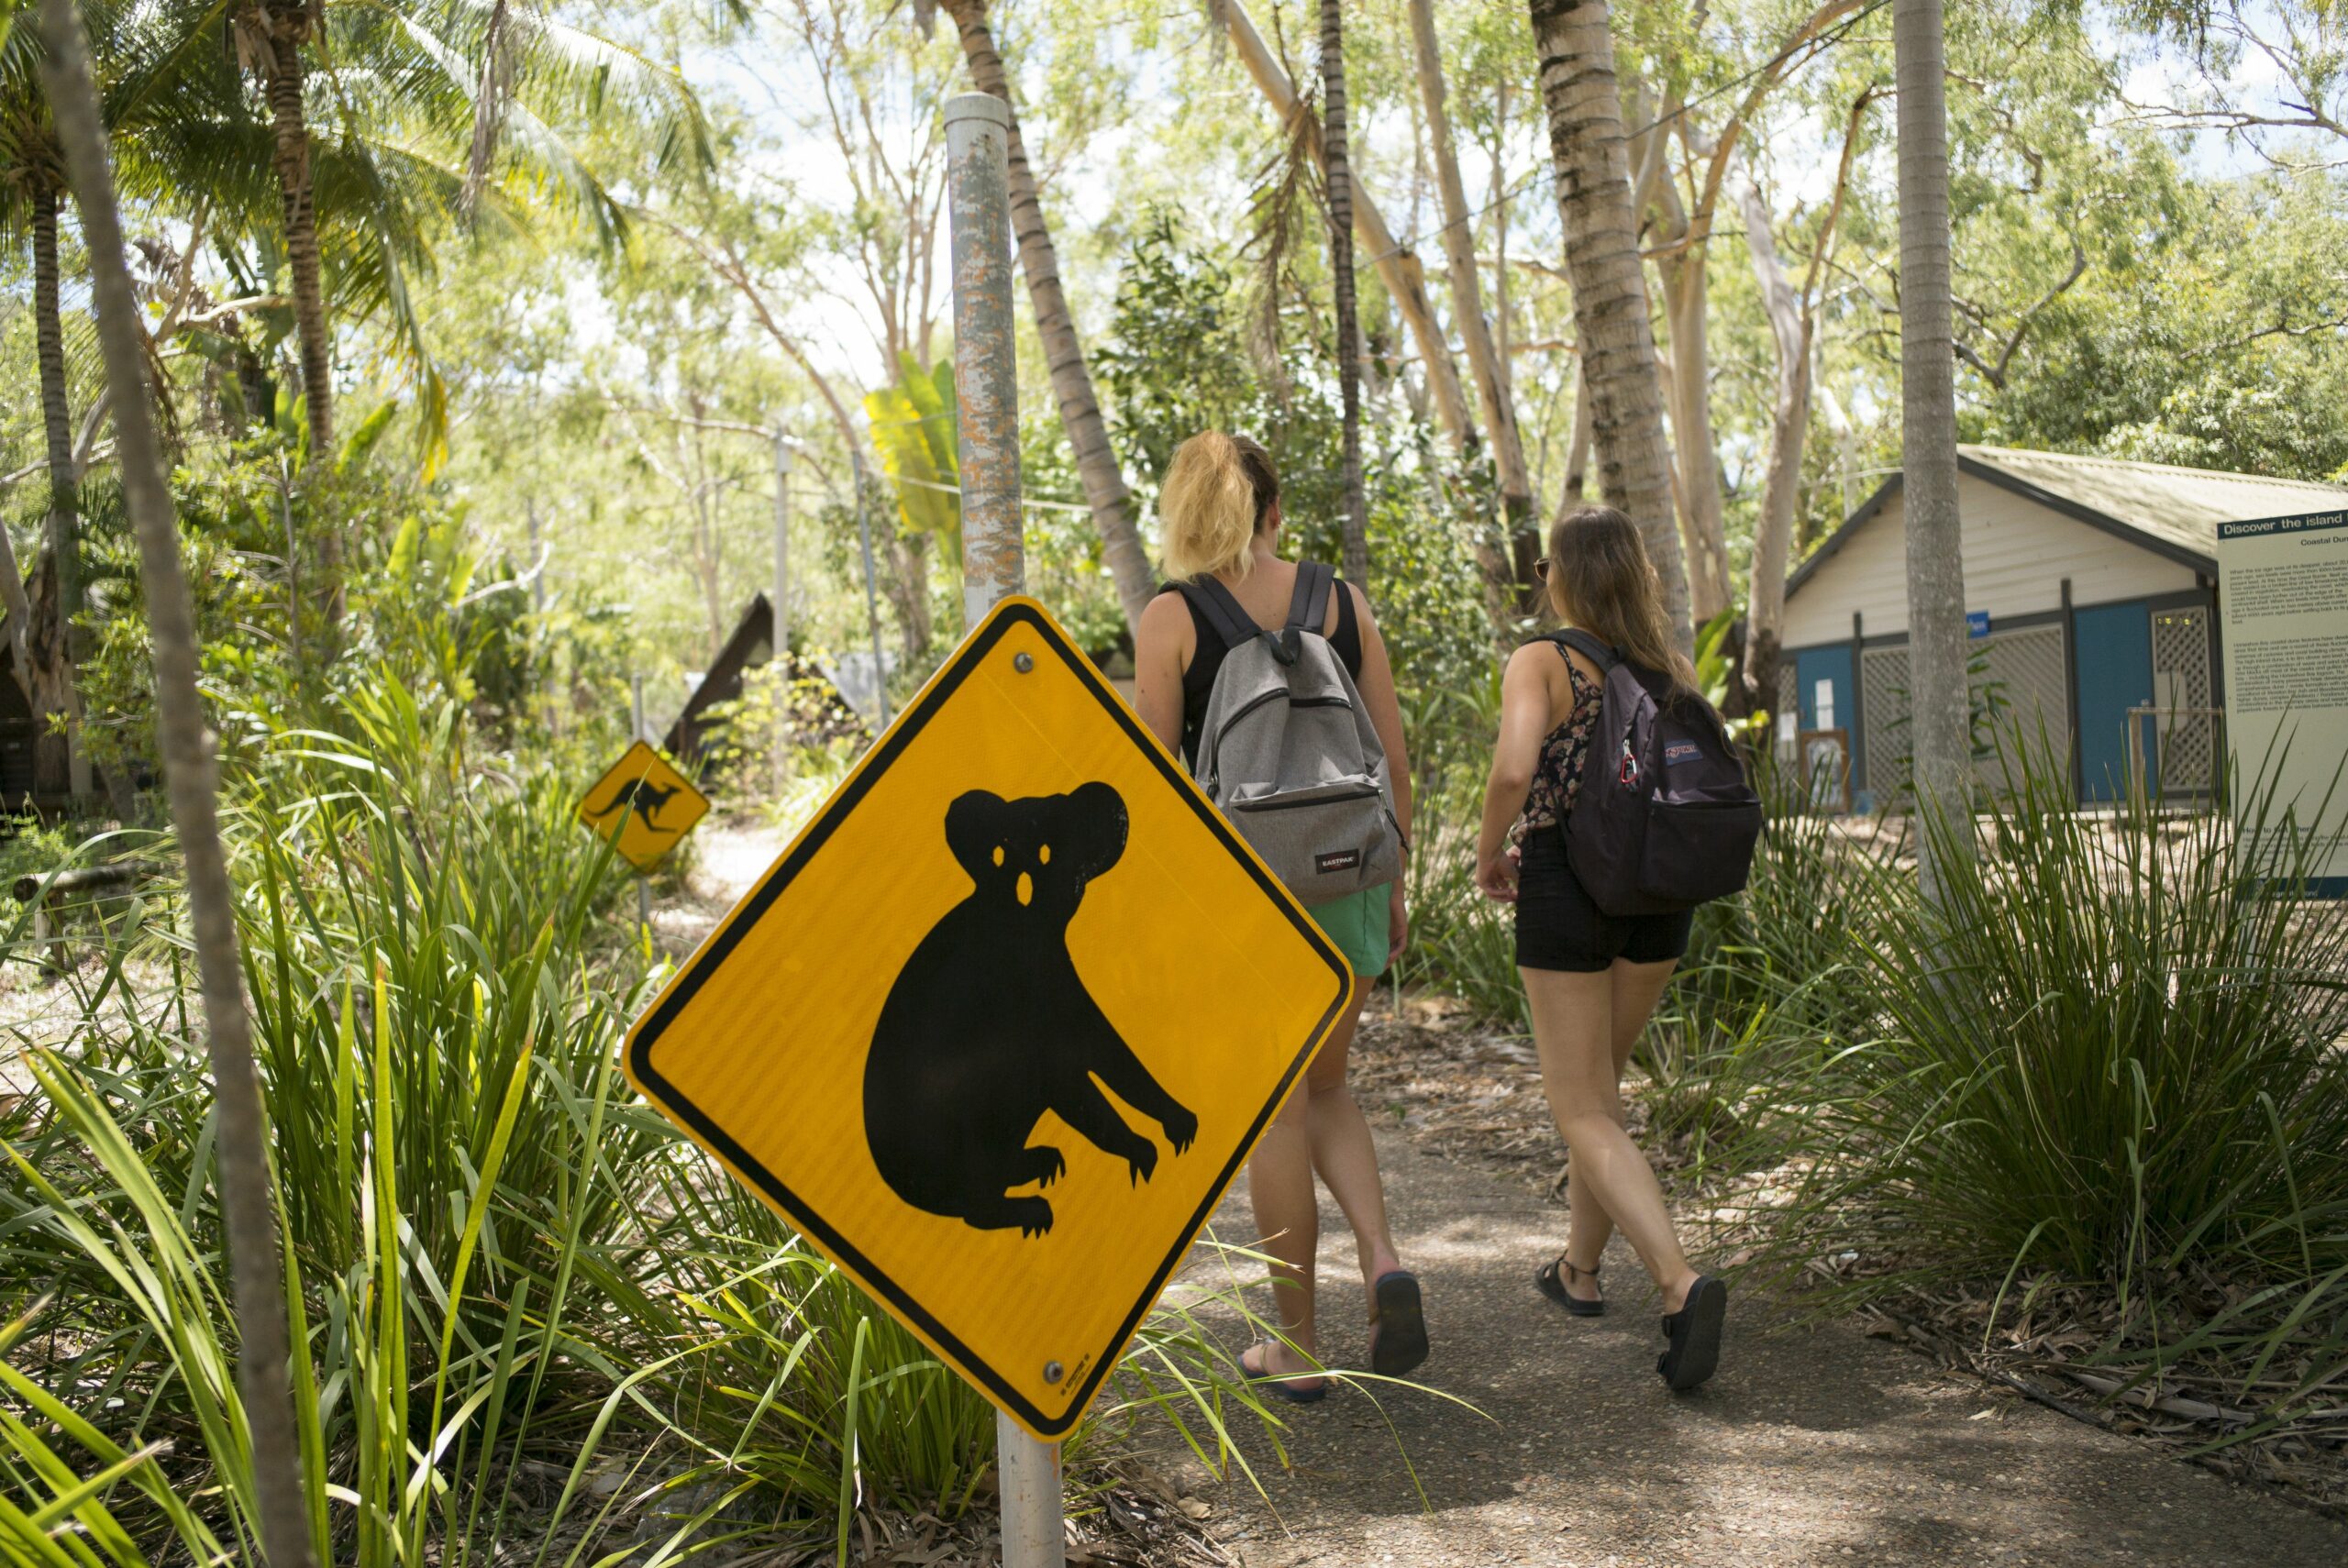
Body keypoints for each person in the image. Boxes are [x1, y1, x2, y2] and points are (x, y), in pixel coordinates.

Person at [1133, 430, 1425, 1400]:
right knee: (1331, 1089)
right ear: (1273, 511)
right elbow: (1391, 761)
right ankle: (1383, 1262)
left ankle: (1295, 1344)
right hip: (1350, 880)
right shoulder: (1341, 602)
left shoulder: (1170, 620)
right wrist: (1390, 888)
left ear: (1184, 514)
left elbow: (1155, 792)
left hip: (1244, 902)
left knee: (1275, 1109)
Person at [1470, 504, 1728, 1392]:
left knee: (1580, 1108)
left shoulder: (1543, 659)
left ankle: (1677, 1282)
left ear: (1562, 575)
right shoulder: (1666, 675)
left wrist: (1487, 848)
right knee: (1600, 1099)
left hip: (1569, 886)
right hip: (1657, 898)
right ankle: (1578, 1271)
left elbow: (1513, 768)